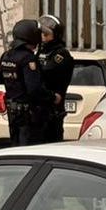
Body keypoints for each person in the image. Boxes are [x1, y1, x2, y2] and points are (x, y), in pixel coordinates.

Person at [0, 18, 52, 148]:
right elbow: (34, 89)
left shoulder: (7, 55)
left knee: (16, 145)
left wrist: (12, 80)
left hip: (13, 112)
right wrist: (52, 97)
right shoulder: (28, 58)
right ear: (32, 36)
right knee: (30, 148)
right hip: (28, 114)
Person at [35, 14, 74, 144]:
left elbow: (46, 72)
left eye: (46, 35)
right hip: (37, 110)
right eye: (41, 34)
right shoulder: (38, 51)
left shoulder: (60, 54)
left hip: (52, 110)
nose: (43, 38)